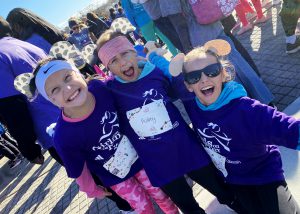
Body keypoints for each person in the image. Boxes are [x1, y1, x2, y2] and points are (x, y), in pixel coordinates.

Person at [97, 30, 246, 213]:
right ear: (108, 68)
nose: (123, 62)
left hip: (186, 147)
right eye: (113, 61)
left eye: (125, 53)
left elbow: (180, 92)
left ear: (134, 52)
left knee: (222, 189)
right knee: (188, 206)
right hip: (158, 163)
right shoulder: (111, 91)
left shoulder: (156, 74)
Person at [21, 57, 178, 214]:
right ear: (51, 100)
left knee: (162, 195)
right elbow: (78, 169)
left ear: (79, 74)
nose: (67, 88)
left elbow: (127, 100)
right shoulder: (64, 136)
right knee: (143, 207)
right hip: (116, 177)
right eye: (55, 89)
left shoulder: (99, 88)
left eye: (68, 77)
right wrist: (91, 189)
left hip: (140, 158)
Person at [169, 39, 300, 214]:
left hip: (265, 174)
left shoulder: (246, 110)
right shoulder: (192, 103)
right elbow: (170, 74)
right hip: (236, 180)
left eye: (211, 71)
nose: (204, 79)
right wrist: (153, 55)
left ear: (223, 74)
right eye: (195, 77)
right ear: (188, 86)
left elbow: (288, 128)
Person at [0, 16, 45, 164]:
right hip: (70, 112)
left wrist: (30, 150)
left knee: (96, 181)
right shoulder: (25, 44)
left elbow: (13, 109)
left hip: (52, 127)